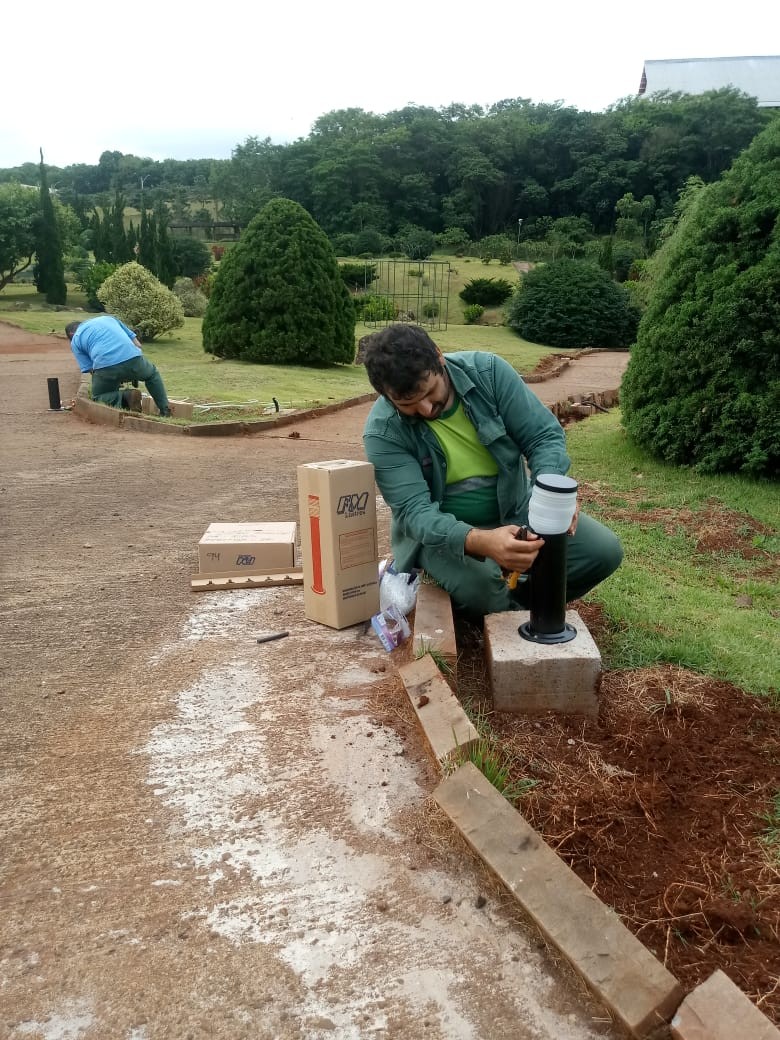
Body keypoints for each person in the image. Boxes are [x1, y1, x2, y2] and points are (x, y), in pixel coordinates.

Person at [362, 324, 622, 617]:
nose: (425, 409)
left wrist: (551, 495)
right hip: (445, 535)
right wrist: (482, 542)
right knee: (484, 590)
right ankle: (494, 601)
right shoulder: (383, 432)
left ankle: (511, 604)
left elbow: (543, 436)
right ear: (385, 395)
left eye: (429, 392)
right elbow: (414, 512)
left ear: (439, 356)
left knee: (603, 552)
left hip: (515, 509)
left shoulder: (489, 373)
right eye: (407, 404)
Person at [65, 315, 171, 416]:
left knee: (97, 398)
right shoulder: (109, 319)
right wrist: (133, 371)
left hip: (105, 365)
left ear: (71, 334)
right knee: (152, 375)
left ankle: (126, 396)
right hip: (133, 357)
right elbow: (138, 345)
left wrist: (113, 378)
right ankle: (165, 410)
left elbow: (91, 369)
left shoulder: (76, 340)